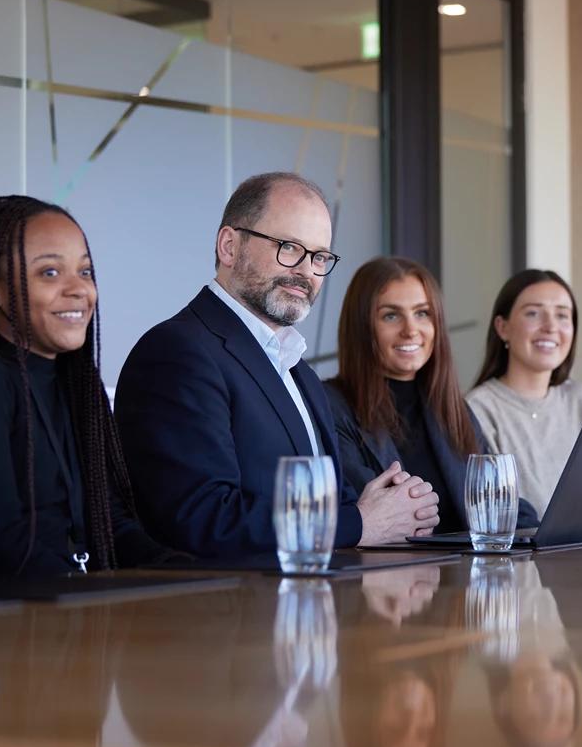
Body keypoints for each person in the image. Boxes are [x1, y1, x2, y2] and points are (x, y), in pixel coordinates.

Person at [115, 172, 439, 558]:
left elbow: (333, 509)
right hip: (230, 596)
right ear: (229, 246)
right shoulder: (176, 353)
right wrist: (360, 523)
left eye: (319, 257)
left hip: (315, 591)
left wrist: (382, 509)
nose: (306, 271)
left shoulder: (299, 372)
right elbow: (200, 520)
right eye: (289, 247)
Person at [0, 195, 173, 578]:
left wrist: (184, 571)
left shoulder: (76, 381)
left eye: (85, 271)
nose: (78, 289)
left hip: (80, 604)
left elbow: (111, 523)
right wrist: (90, 597)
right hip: (22, 609)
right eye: (50, 273)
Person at [324, 256, 538, 531]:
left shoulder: (452, 408)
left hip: (466, 559)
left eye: (422, 313)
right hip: (392, 560)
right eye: (391, 316)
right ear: (361, 327)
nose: (411, 330)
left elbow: (502, 503)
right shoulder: (331, 406)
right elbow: (367, 509)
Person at [466, 269, 582, 525]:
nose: (551, 327)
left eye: (562, 315)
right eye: (533, 313)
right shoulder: (477, 409)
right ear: (503, 327)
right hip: (522, 552)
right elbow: (495, 518)